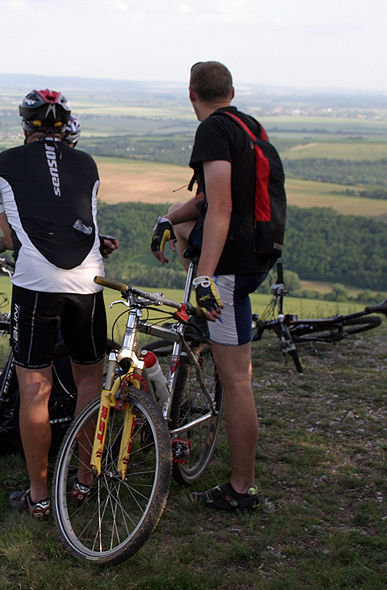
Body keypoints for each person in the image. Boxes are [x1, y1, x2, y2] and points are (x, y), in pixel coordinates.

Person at [0, 90, 113, 520]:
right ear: (65, 127)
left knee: (34, 389)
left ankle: (39, 497)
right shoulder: (87, 163)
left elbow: (14, 236)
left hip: (36, 282)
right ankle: (85, 481)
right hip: (88, 281)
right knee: (90, 382)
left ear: (25, 126)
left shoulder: (5, 161)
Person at [149, 60, 280, 512]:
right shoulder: (248, 126)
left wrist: (205, 278)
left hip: (228, 266)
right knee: (183, 227)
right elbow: (205, 201)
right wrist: (169, 218)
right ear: (231, 91)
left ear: (192, 93)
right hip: (255, 255)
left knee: (237, 380)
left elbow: (220, 208)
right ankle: (205, 327)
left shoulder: (212, 130)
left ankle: (242, 489)